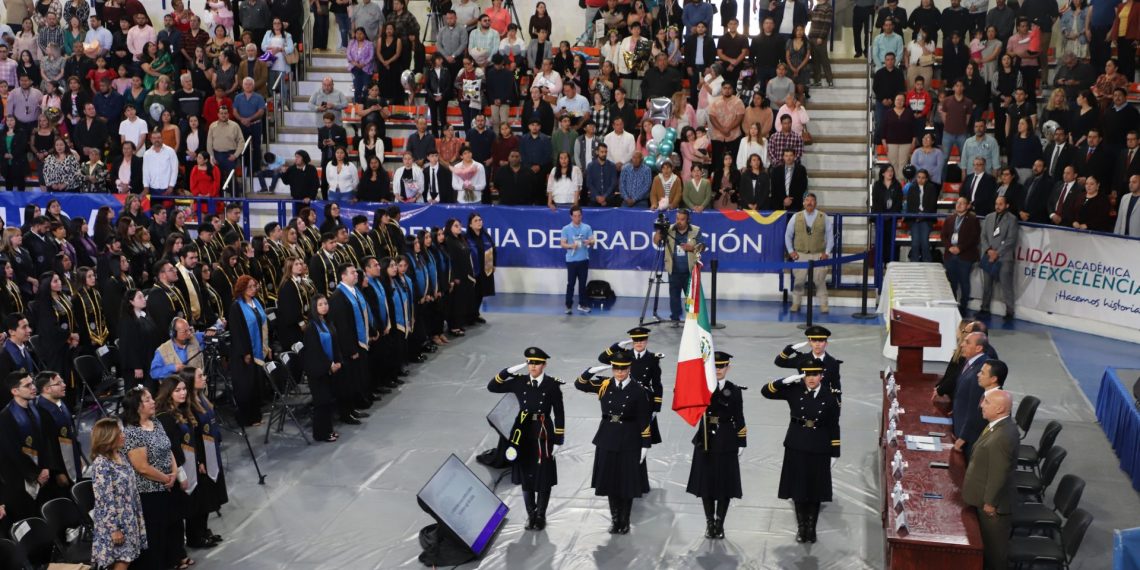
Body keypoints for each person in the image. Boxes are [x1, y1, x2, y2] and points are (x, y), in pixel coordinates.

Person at [761, 358, 841, 544]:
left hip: (819, 445)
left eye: (815, 374)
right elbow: (766, 392)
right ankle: (801, 526)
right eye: (807, 374)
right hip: (796, 443)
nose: (811, 378)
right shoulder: (794, 390)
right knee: (798, 488)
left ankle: (811, 528)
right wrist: (783, 381)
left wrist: (835, 451)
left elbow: (833, 425)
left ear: (821, 376)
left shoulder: (830, 397)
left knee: (815, 489)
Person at [487, 347, 565, 530]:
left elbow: (559, 413)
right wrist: (508, 371)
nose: (533, 366)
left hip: (543, 432)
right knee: (526, 474)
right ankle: (531, 515)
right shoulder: (519, 382)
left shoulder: (552, 385)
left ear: (544, 365)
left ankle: (541, 515)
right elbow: (492, 387)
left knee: (543, 475)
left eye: (537, 363)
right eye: (530, 363)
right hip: (522, 432)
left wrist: (558, 439)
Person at [575, 349, 651, 535]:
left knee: (626, 482)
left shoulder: (638, 390)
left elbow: (644, 419)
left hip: (629, 438)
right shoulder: (605, 385)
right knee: (610, 481)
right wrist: (590, 371)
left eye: (623, 369)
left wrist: (645, 444)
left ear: (629, 368)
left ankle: (625, 520)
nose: (619, 372)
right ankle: (615, 519)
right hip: (607, 436)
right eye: (616, 368)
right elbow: (580, 384)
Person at [684, 350, 745, 539]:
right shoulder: (702, 388)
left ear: (728, 367)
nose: (718, 369)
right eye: (714, 366)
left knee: (725, 485)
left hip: (726, 439)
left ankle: (720, 523)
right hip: (705, 439)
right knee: (707, 484)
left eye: (721, 366)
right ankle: (709, 523)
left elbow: (739, 417)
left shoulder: (734, 390)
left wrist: (741, 441)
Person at [122, 385, 182, 570]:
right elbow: (142, 467)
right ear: (137, 406)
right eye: (147, 400)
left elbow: (168, 448)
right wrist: (166, 479)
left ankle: (173, 561)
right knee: (156, 534)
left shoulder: (156, 422)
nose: (153, 402)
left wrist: (174, 473)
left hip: (168, 485)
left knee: (172, 528)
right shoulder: (132, 432)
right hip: (149, 492)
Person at [962, 388, 1018, 570]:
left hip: (994, 509)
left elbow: (999, 473)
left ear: (1000, 409)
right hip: (985, 500)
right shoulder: (996, 426)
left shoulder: (1003, 436)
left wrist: (990, 503)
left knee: (994, 555)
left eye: (986, 402)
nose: (981, 405)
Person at [90, 417, 147, 570]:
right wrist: (114, 529)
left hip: (129, 517)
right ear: (108, 437)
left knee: (127, 559)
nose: (123, 435)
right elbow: (104, 500)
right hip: (115, 522)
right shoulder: (101, 464)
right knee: (122, 560)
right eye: (119, 433)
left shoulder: (121, 456)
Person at [0, 370, 48, 530]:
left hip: (41, 473)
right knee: (28, 522)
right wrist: (36, 474)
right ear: (15, 391)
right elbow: (13, 453)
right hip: (20, 481)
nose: (33, 387)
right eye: (27, 385)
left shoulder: (34, 408)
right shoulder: (5, 418)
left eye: (32, 383)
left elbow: (43, 441)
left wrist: (45, 467)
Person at [599, 327, 663, 445]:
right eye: (636, 340)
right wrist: (616, 346)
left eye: (641, 340)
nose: (639, 343)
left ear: (646, 341)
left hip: (644, 398)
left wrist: (656, 407)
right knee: (621, 426)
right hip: (624, 395)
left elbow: (657, 384)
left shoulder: (653, 359)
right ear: (632, 341)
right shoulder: (624, 355)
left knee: (642, 432)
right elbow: (602, 358)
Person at [227, 275, 268, 427]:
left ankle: (256, 415)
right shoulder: (236, 307)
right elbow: (236, 332)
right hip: (244, 353)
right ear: (242, 288)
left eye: (254, 286)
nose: (253, 289)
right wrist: (245, 353)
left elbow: (262, 324)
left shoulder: (256, 302)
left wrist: (266, 345)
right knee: (246, 386)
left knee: (255, 384)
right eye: (249, 286)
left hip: (257, 348)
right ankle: (247, 418)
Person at [33, 370, 82, 497]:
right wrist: (57, 472)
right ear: (47, 389)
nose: (64, 385)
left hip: (72, 459)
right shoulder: (40, 412)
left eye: (62, 382)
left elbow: (71, 432)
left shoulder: (60, 403)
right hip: (59, 468)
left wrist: (79, 455)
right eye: (58, 383)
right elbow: (47, 446)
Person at [784, 193, 833, 313]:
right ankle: (796, 303)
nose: (809, 202)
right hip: (800, 254)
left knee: (820, 281)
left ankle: (824, 305)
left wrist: (827, 252)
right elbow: (788, 235)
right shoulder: (796, 217)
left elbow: (830, 237)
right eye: (807, 200)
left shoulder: (823, 217)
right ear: (803, 203)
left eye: (812, 200)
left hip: (818, 254)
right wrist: (791, 251)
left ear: (815, 203)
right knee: (799, 280)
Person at [652, 208, 700, 325]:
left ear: (688, 220)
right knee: (674, 296)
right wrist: (659, 229)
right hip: (673, 269)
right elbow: (656, 242)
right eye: (677, 219)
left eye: (682, 219)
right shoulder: (669, 229)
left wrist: (692, 248)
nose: (679, 221)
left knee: (690, 296)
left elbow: (703, 246)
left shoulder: (696, 230)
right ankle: (675, 318)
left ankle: (692, 318)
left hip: (689, 270)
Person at [978, 196, 1019, 320]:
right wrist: (989, 251)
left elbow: (1011, 240)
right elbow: (983, 236)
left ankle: (1010, 311)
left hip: (1004, 257)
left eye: (1001, 204)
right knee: (987, 285)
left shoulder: (1012, 219)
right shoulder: (989, 217)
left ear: (1007, 205)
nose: (998, 206)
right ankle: (984, 308)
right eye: (996, 204)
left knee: (1006, 285)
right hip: (988, 255)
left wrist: (997, 253)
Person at [943, 196, 981, 314]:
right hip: (950, 254)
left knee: (964, 281)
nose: (959, 205)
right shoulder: (950, 219)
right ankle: (952, 303)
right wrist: (950, 247)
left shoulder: (973, 220)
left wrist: (960, 248)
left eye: (962, 203)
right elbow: (943, 235)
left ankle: (963, 305)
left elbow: (974, 238)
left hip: (965, 255)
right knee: (951, 281)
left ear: (968, 206)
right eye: (957, 203)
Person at [559, 206, 596, 315]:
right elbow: (562, 244)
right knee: (571, 284)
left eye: (579, 216)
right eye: (575, 216)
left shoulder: (587, 228)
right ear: (571, 216)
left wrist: (589, 242)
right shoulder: (566, 229)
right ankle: (568, 306)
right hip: (571, 261)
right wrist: (571, 246)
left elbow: (592, 241)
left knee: (582, 284)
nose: (577, 218)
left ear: (581, 215)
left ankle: (582, 304)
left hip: (583, 260)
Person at [905, 168, 940, 261]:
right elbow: (910, 205)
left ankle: (927, 263)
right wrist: (917, 216)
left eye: (923, 178)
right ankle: (914, 263)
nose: (920, 179)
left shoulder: (932, 188)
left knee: (924, 242)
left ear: (926, 179)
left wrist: (922, 216)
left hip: (927, 219)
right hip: (914, 219)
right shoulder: (912, 188)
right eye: (919, 177)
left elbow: (932, 205)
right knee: (915, 243)